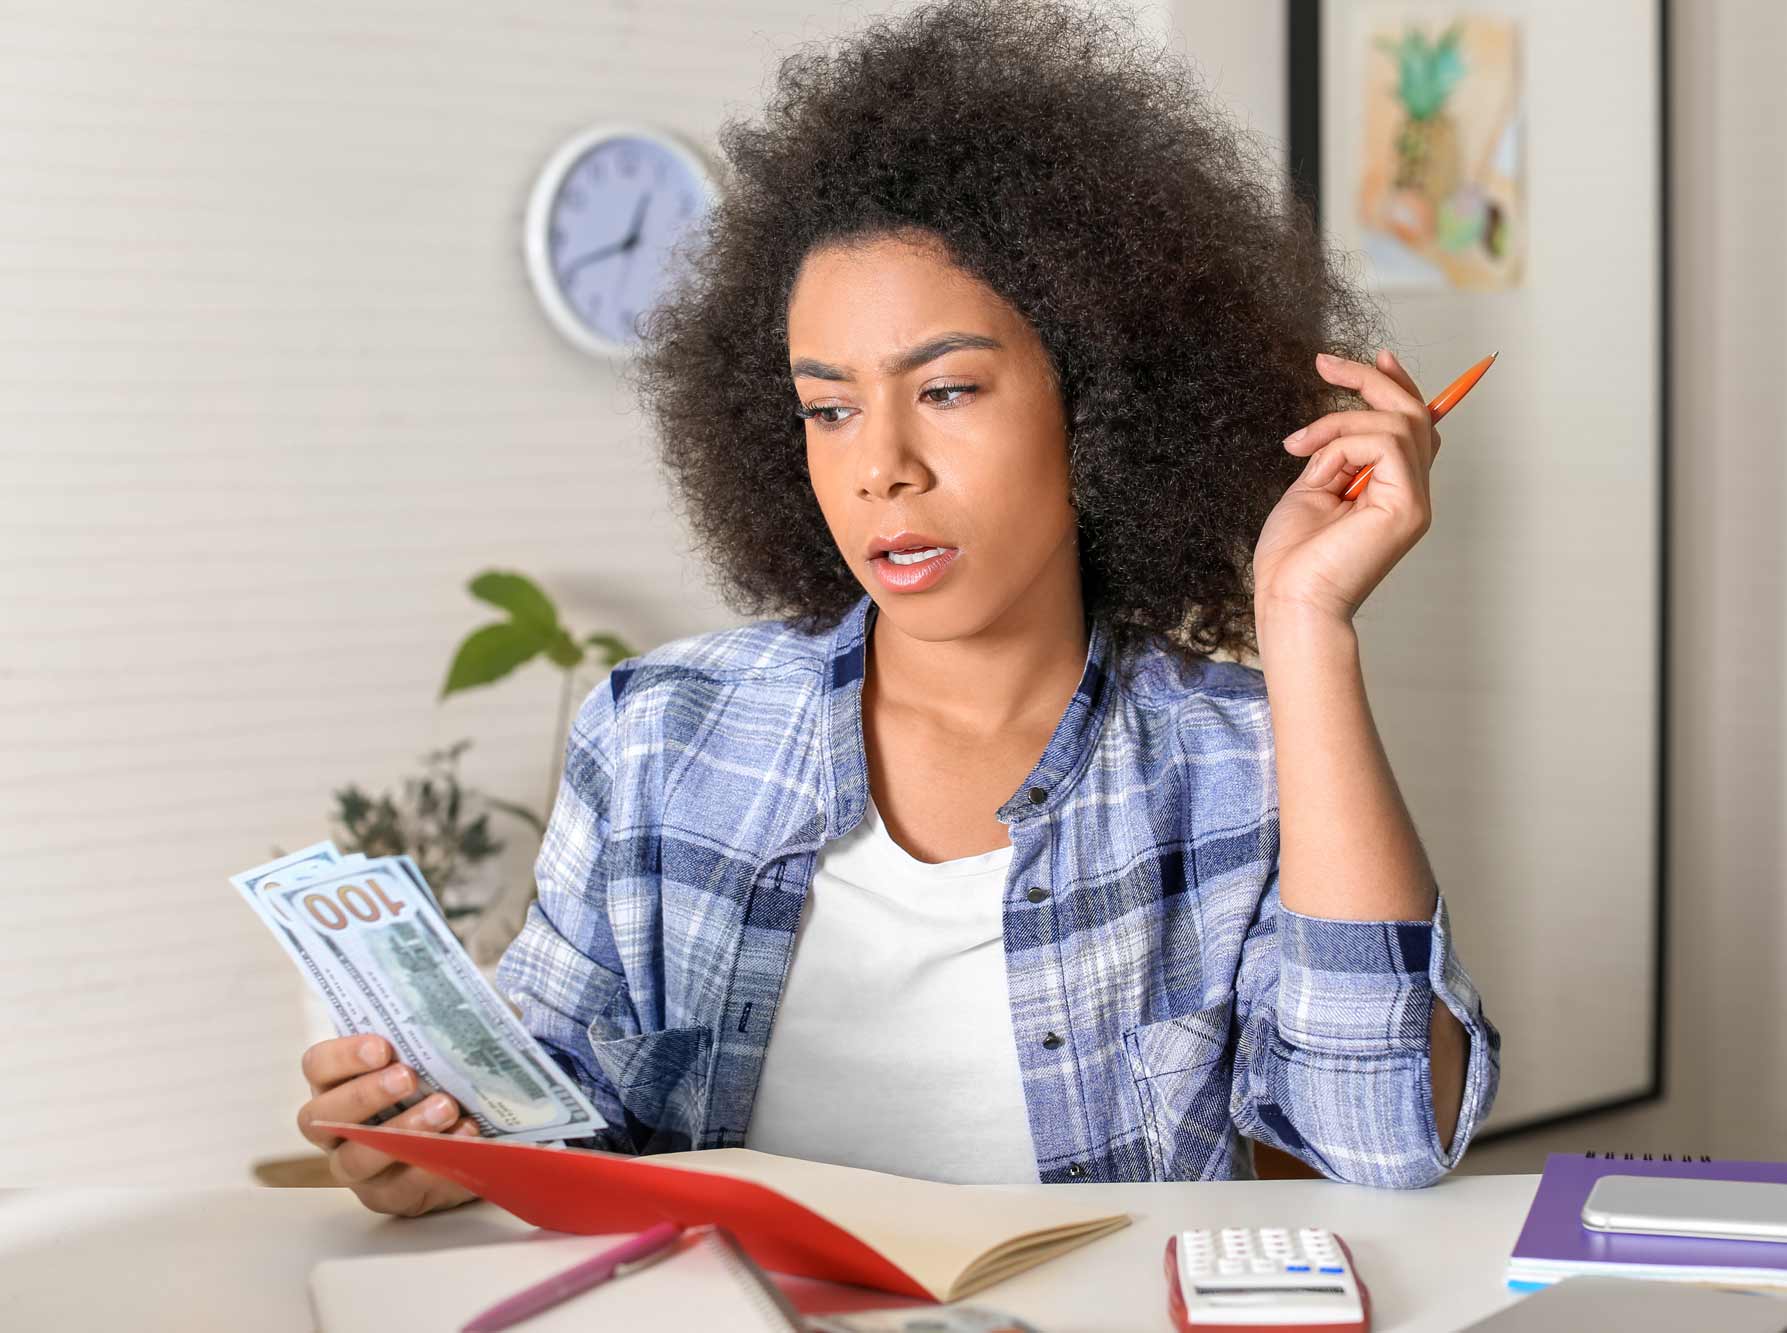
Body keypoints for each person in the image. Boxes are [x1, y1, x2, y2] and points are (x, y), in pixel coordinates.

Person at [295, 0, 1499, 1217]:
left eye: (948, 388)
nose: (881, 466)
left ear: (1102, 399)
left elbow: (1382, 1140)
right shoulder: (662, 734)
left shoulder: (1243, 758)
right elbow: (540, 1119)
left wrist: (1302, 621)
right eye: (828, 408)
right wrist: (435, 1148)